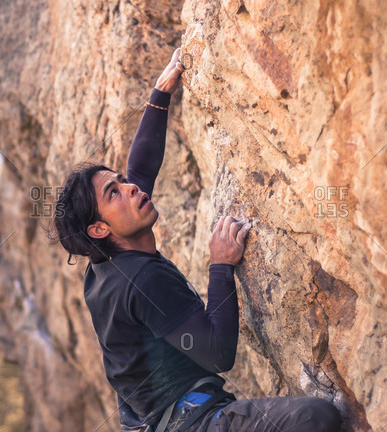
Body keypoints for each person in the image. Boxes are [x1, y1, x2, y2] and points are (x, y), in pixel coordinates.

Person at [52, 48, 342, 432]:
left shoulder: (103, 262)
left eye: (120, 180)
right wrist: (220, 265)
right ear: (99, 229)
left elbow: (140, 169)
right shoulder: (142, 281)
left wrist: (160, 95)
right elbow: (218, 353)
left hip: (149, 421)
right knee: (316, 417)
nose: (130, 187)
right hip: (191, 423)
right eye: (114, 192)